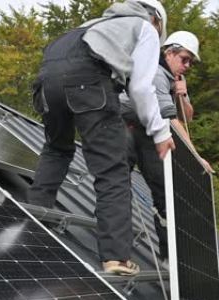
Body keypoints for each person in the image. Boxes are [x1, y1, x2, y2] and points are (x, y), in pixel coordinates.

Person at [27, 0, 174, 276]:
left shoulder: (92, 25)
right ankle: (116, 257)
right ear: (157, 19)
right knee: (112, 169)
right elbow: (142, 88)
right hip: (88, 82)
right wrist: (160, 132)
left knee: (56, 149)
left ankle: (35, 216)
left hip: (46, 82)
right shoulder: (144, 27)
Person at [121, 30, 213, 266]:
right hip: (126, 124)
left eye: (191, 61)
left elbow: (187, 117)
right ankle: (115, 244)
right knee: (118, 179)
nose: (188, 65)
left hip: (150, 131)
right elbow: (171, 121)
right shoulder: (155, 71)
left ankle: (168, 256)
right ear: (169, 53)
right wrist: (196, 157)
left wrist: (182, 95)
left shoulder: (176, 80)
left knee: (164, 189)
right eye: (184, 59)